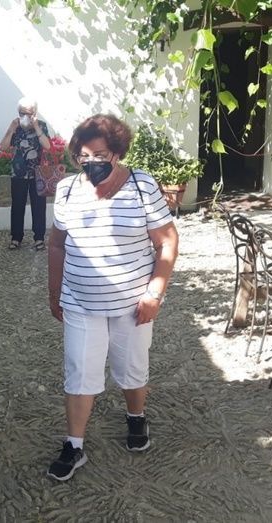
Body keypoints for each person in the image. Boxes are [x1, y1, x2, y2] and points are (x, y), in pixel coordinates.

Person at [46, 114, 179, 482]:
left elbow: (167, 241)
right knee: (79, 371)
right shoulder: (67, 190)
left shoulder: (141, 186)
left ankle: (136, 417)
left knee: (132, 367)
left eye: (100, 154)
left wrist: (155, 293)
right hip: (80, 301)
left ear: (117, 152)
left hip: (132, 303)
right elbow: (56, 244)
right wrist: (54, 293)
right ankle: (74, 445)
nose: (92, 162)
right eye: (84, 156)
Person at [0, 96, 52, 251]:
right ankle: (16, 237)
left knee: (39, 206)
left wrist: (36, 127)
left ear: (34, 112)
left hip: (38, 173)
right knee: (17, 206)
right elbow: (3, 147)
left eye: (28, 113)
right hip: (18, 173)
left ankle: (39, 238)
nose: (25, 116)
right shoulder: (15, 126)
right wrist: (11, 129)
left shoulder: (41, 125)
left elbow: (47, 146)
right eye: (22, 113)